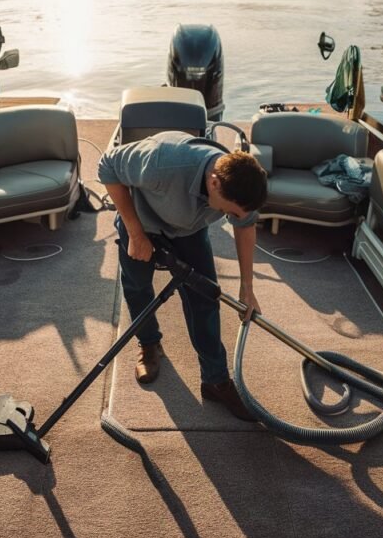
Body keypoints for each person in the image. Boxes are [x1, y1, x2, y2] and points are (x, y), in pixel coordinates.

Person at [98, 131, 268, 421]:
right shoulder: (162, 161)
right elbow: (107, 165)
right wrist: (136, 233)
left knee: (205, 297)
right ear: (214, 183)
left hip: (189, 228)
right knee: (137, 287)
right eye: (229, 212)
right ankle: (149, 344)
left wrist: (247, 286)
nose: (233, 217)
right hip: (142, 220)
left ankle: (215, 380)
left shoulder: (240, 184)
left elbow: (244, 226)